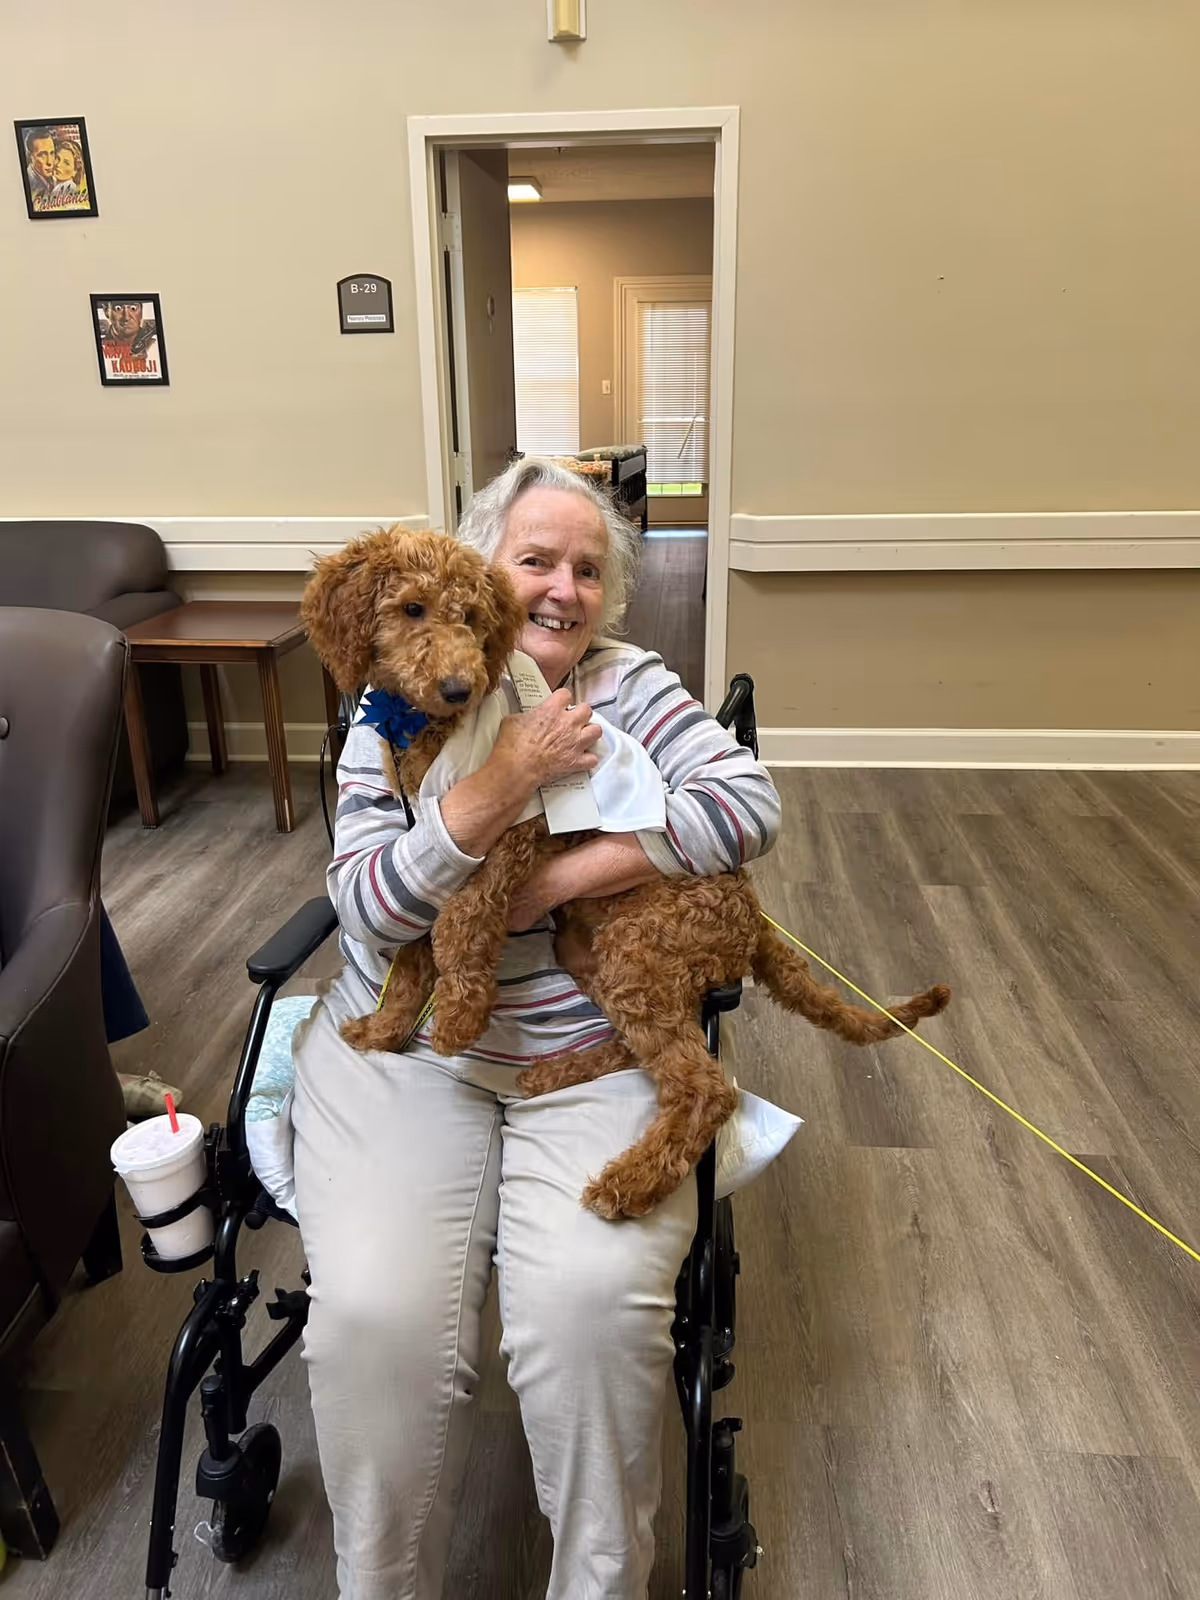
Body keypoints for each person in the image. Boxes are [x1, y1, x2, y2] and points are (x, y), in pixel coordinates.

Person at [291, 456, 782, 1600]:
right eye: (534, 560)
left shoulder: (632, 685)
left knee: (591, 1313)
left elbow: (748, 803)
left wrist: (552, 889)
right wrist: (493, 788)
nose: (561, 590)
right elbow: (363, 899)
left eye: (588, 570)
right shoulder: (397, 702)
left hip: (581, 1042)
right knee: (372, 1319)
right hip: (412, 1050)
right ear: (472, 571)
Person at [23, 127, 56, 209]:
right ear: (31, 157)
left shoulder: (54, 179)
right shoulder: (29, 184)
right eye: (42, 155)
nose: (49, 162)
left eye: (52, 153)